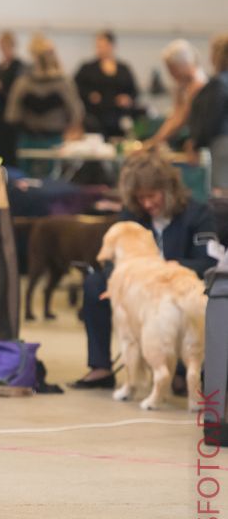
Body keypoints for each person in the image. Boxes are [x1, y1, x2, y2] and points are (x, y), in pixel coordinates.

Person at [72, 155, 215, 389]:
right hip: (138, 288)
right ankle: (100, 367)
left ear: (168, 190)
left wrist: (176, 266)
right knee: (95, 285)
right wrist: (113, 283)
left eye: (152, 195)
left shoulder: (198, 215)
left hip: (176, 287)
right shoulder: (133, 214)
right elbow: (113, 260)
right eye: (141, 198)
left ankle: (179, 369)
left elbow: (208, 262)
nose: (147, 203)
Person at [5, 34, 84, 150]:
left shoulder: (22, 83)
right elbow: (76, 113)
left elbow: (12, 116)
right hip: (52, 139)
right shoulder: (63, 83)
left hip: (30, 139)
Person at [140, 39, 208, 152]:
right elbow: (175, 114)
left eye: (172, 68)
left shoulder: (198, 83)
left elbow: (181, 118)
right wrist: (154, 141)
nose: (170, 74)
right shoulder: (182, 85)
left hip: (202, 143)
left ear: (184, 64)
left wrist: (154, 142)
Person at [74, 30, 138, 139]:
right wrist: (89, 95)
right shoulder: (87, 68)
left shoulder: (123, 68)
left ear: (111, 46)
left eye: (103, 46)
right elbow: (75, 87)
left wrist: (127, 98)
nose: (100, 49)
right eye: (98, 46)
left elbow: (134, 91)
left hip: (119, 117)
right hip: (94, 117)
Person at [187, 34, 228, 193]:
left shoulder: (219, 83)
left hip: (222, 145)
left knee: (222, 193)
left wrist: (196, 143)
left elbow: (211, 119)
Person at [0, 31, 24, 166]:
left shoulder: (18, 66)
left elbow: (17, 91)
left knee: (11, 148)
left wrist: (0, 87)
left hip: (12, 116)